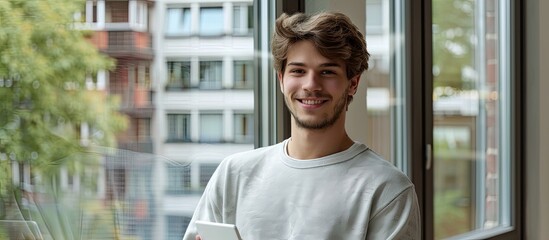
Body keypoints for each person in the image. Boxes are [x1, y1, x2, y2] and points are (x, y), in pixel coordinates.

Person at [183, 11, 420, 240]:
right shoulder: (234, 174)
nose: (311, 85)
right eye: (298, 70)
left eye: (327, 71)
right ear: (281, 80)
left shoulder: (387, 189)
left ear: (353, 83)